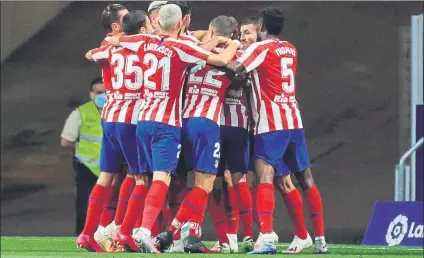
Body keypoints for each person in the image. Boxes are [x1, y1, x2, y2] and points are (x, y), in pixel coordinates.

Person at [109, 4, 238, 253]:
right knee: (163, 179)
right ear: (182, 23)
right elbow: (221, 60)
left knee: (142, 179)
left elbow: (117, 40)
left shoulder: (145, 41)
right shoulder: (182, 47)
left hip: (142, 121)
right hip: (167, 123)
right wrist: (230, 43)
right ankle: (146, 231)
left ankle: (130, 230)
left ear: (156, 22)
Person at [225, 6, 327, 254]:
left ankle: (267, 239)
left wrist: (210, 59)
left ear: (261, 26)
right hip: (293, 120)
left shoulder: (260, 49)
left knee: (265, 178)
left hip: (270, 124)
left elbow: (237, 67)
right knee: (305, 179)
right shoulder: (290, 48)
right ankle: (320, 240)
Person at [154, 15, 240, 254]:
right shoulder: (233, 54)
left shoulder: (191, 48)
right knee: (205, 184)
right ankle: (173, 232)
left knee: (184, 182)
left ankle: (191, 237)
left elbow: (200, 36)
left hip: (184, 121)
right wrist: (232, 43)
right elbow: (238, 70)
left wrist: (213, 36)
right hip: (208, 124)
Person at [76, 10, 151, 253]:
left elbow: (89, 54)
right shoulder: (147, 46)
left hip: (110, 118)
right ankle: (125, 233)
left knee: (105, 177)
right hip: (132, 120)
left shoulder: (109, 48)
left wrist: (109, 41)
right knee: (141, 177)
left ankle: (87, 233)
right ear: (140, 29)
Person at [61, 77, 106, 236]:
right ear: (92, 94)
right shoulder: (81, 113)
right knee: (85, 206)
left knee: (111, 207)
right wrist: (82, 152)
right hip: (88, 169)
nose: (103, 96)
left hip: (113, 169)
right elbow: (67, 141)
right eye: (99, 92)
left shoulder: (119, 111)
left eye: (106, 92)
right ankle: (82, 236)